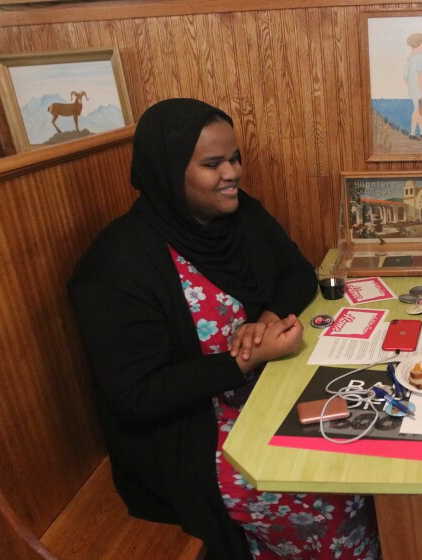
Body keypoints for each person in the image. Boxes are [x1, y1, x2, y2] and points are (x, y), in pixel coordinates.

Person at [68, 98, 380, 560]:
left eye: (234, 158)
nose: (232, 173)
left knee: (365, 432)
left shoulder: (239, 215)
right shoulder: (119, 261)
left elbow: (297, 271)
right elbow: (136, 397)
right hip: (195, 434)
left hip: (269, 391)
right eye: (213, 164)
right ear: (169, 170)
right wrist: (243, 360)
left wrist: (268, 316)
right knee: (328, 490)